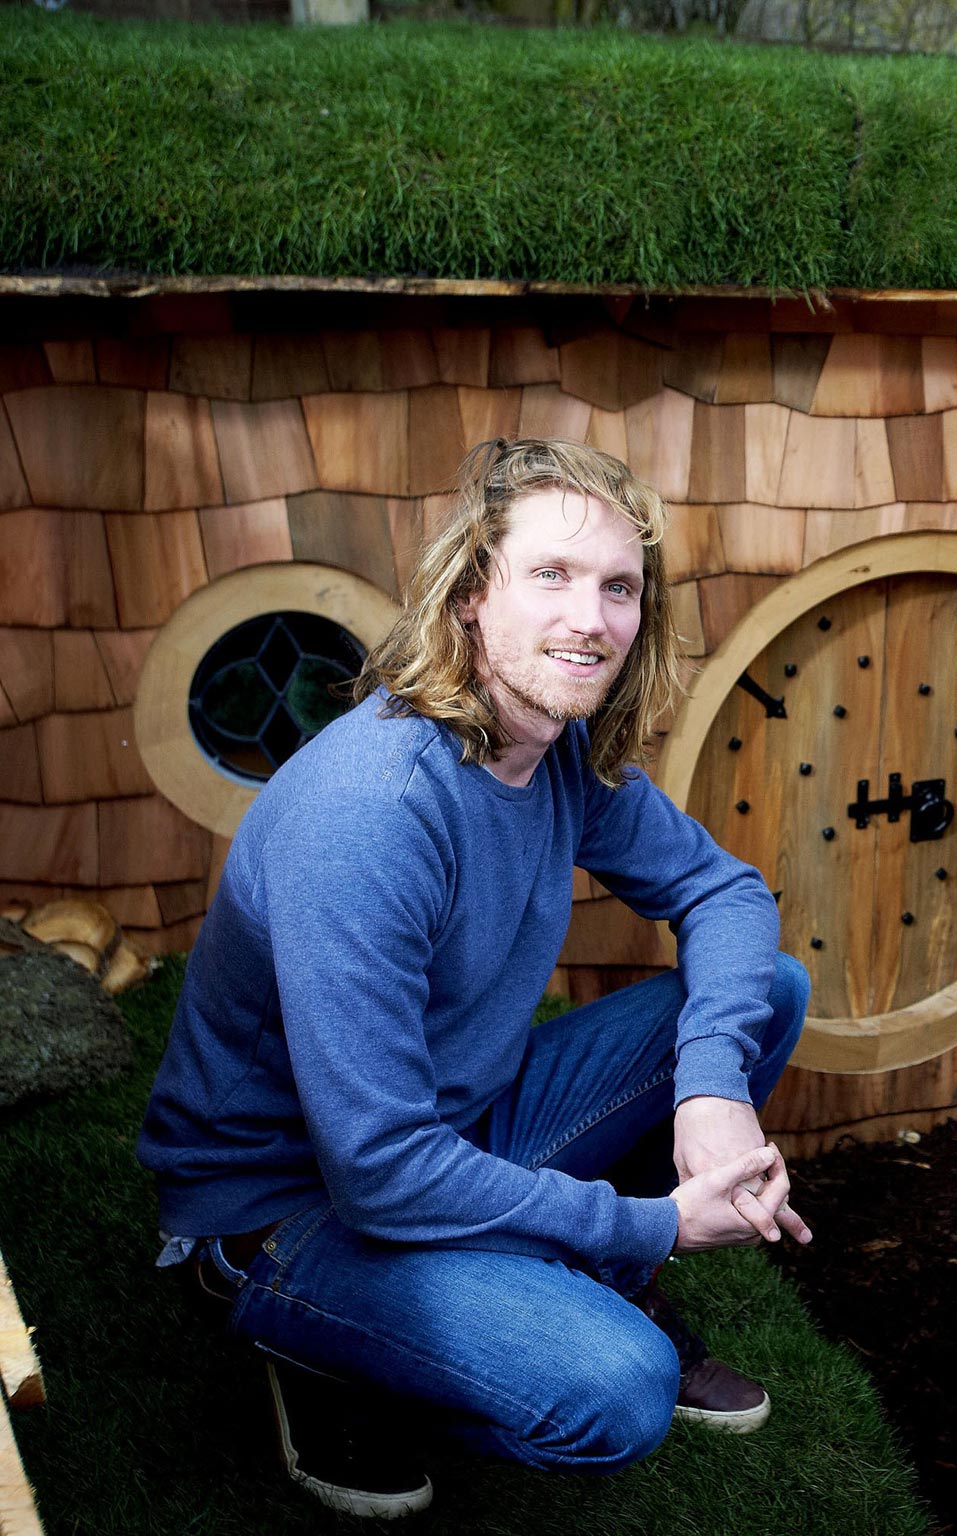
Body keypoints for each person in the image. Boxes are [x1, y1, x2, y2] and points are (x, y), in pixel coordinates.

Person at [139, 438, 812, 1518]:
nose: (589, 618)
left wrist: (711, 1091)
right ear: (469, 596)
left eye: (618, 587)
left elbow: (724, 895)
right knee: (616, 1389)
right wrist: (644, 1226)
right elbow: (381, 1170)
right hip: (289, 1201)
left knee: (763, 991)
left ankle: (541, 1281)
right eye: (550, 575)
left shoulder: (557, 751)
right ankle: (341, 1354)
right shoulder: (371, 812)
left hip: (457, 1122)